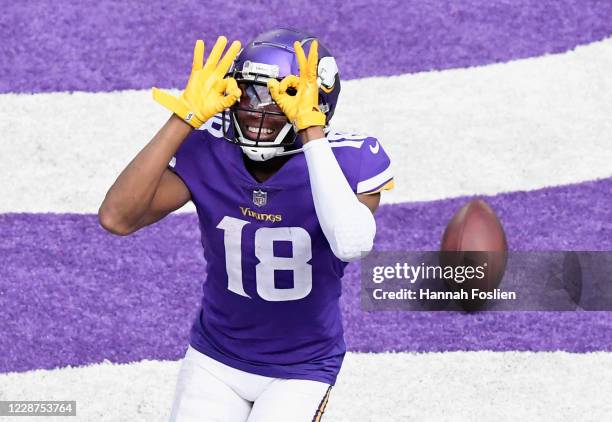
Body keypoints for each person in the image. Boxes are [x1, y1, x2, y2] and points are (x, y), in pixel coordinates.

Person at [99, 28, 394, 422]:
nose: (258, 111)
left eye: (279, 97)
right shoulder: (211, 147)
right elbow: (117, 218)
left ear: (318, 101)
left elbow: (352, 243)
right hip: (215, 357)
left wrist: (311, 132)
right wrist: (182, 119)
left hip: (301, 367)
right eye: (250, 94)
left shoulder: (350, 159)